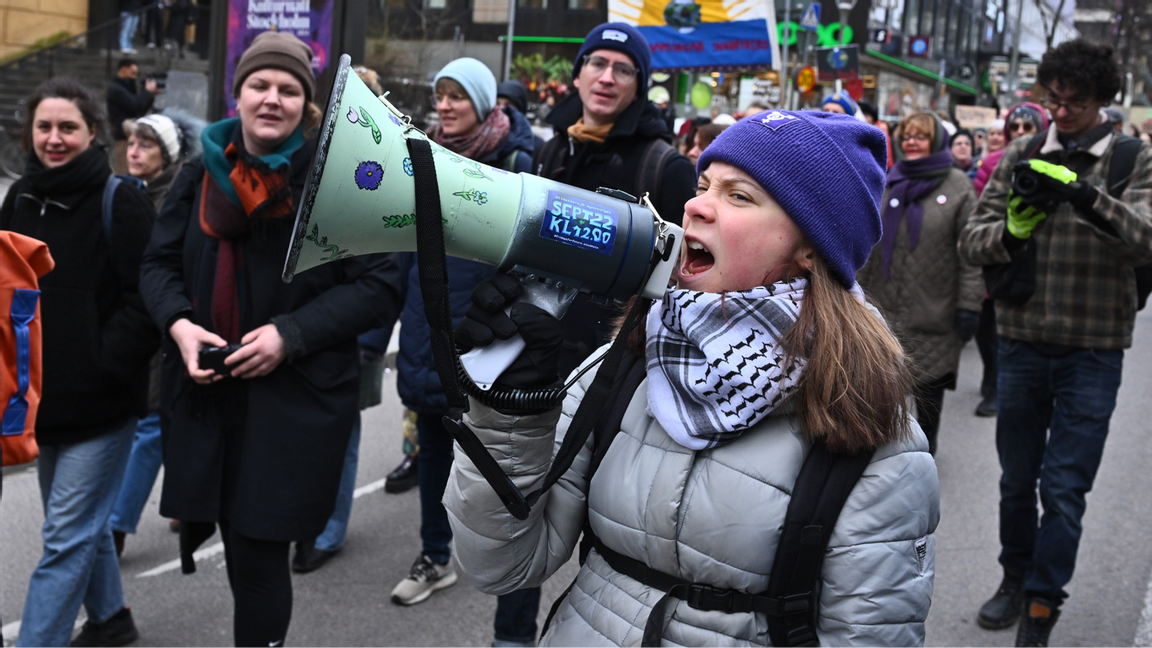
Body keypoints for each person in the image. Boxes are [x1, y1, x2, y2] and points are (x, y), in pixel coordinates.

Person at [445, 109, 940, 647]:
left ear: (810, 249)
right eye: (703, 185)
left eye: (739, 196)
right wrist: (508, 414)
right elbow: (502, 566)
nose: (695, 205)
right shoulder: (625, 363)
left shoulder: (875, 435)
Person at [138, 31, 403, 647]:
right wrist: (179, 325)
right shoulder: (197, 176)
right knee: (235, 545)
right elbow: (156, 266)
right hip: (208, 393)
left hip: (292, 399)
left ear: (305, 104)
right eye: (259, 85)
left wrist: (292, 333)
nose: (271, 99)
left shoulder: (344, 180)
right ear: (238, 92)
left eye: (288, 89)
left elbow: (379, 285)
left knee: (259, 555)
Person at [959, 40, 1152, 648]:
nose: (1061, 112)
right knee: (1017, 480)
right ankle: (1014, 578)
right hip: (1020, 341)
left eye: (1076, 102)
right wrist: (1014, 229)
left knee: (1063, 487)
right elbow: (973, 242)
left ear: (1103, 101)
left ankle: (1042, 605)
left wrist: (1085, 195)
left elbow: (1147, 237)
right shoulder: (1021, 150)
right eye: (1053, 99)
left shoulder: (1132, 158)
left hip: (1095, 348)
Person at [386, 57, 543, 648]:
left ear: (482, 103)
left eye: (457, 96)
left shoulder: (517, 163)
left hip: (492, 352)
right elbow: (400, 251)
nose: (445, 106)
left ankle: (512, 619)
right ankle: (434, 555)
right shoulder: (418, 156)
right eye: (440, 95)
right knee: (431, 457)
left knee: (500, 478)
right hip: (431, 338)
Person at [2, 77, 158, 648]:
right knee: (78, 528)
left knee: (65, 536)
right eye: (44, 126)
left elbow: (149, 300)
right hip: (40, 406)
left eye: (68, 126)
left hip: (102, 406)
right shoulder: (18, 199)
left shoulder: (122, 199)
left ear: (94, 133)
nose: (54, 137)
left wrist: (102, 364)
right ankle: (112, 620)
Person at [533, 22, 696, 375]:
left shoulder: (666, 168)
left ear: (639, 87)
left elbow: (681, 284)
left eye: (623, 70)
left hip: (608, 367)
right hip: (534, 346)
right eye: (597, 63)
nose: (607, 77)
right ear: (578, 75)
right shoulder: (552, 151)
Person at [858, 112, 983, 456]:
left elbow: (970, 253)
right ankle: (881, 465)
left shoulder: (958, 186)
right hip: (881, 310)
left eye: (921, 136)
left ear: (937, 141)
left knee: (926, 408)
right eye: (907, 135)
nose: (912, 141)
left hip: (933, 312)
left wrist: (969, 306)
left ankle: (922, 466)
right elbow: (867, 242)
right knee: (877, 399)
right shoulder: (888, 180)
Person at [110, 111, 204, 557]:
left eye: (145, 145)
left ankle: (117, 524)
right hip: (137, 327)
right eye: (131, 143)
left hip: (170, 328)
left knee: (152, 425)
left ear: (165, 154)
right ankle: (186, 500)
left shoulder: (175, 197)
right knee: (162, 421)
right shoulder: (128, 192)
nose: (133, 152)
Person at [107, 59, 159, 175]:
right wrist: (147, 92)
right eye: (132, 73)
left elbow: (139, 110)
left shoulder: (127, 87)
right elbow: (136, 106)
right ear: (123, 69)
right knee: (123, 170)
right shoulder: (116, 89)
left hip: (130, 134)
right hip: (122, 136)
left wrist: (150, 95)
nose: (134, 77)